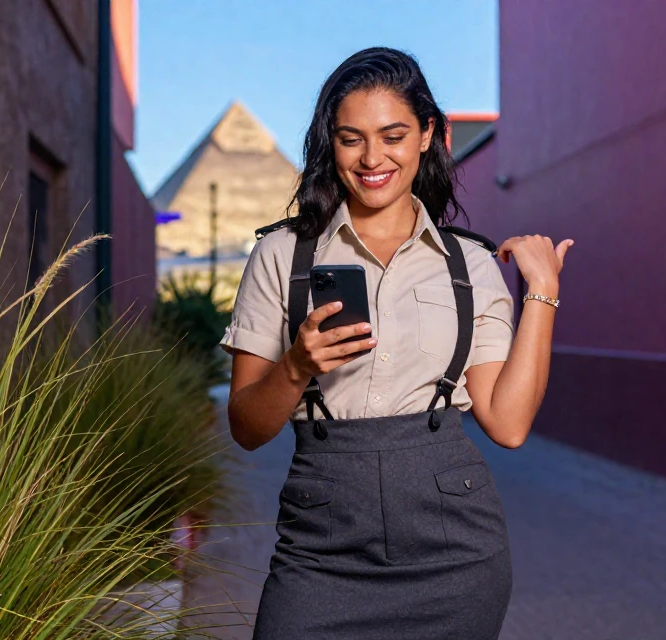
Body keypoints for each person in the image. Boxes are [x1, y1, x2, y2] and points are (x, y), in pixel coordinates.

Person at [219, 47, 573, 639]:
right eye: (351, 138)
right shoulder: (282, 255)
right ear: (329, 143)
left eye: (394, 135)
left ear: (429, 134)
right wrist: (296, 366)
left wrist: (542, 289)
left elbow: (508, 426)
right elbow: (247, 429)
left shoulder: (472, 264)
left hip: (455, 554)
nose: (373, 157)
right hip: (320, 548)